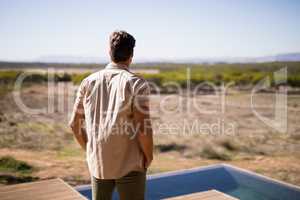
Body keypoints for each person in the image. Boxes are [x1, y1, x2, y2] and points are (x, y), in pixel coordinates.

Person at [69, 31, 153, 200]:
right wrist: (148, 157)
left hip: (99, 164)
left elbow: (74, 124)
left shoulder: (88, 82)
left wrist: (90, 150)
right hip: (131, 165)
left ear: (109, 52)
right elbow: (143, 128)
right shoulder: (136, 83)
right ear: (132, 54)